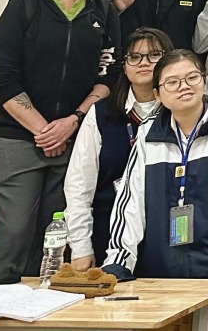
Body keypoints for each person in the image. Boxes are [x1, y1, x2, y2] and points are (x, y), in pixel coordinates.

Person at [0, 0, 120, 284]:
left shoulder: (103, 11)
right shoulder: (23, 7)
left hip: (73, 137)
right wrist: (43, 129)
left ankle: (42, 312)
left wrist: (72, 121)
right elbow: (0, 76)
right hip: (16, 137)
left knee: (55, 239)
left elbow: (108, 76)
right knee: (15, 235)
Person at [103, 49, 208, 331]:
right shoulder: (148, 133)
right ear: (157, 93)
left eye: (192, 77)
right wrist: (119, 261)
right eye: (172, 82)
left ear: (204, 81)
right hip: (164, 277)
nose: (184, 86)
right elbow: (130, 201)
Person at [64, 27, 172, 272]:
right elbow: (78, 185)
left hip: (166, 235)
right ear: (124, 67)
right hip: (109, 232)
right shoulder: (101, 113)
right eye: (134, 57)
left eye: (154, 55)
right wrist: (81, 247)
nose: (144, 63)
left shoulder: (180, 114)